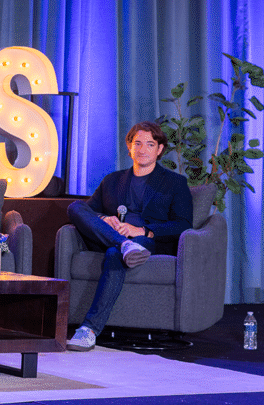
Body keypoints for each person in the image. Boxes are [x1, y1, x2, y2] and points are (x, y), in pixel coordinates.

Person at [65, 120, 193, 351]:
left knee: (116, 254)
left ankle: (88, 330)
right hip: (110, 236)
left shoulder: (175, 183)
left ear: (160, 149)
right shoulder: (112, 180)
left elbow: (184, 224)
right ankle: (124, 244)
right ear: (129, 147)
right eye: (138, 143)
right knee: (75, 207)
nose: (143, 149)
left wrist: (142, 231)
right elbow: (89, 210)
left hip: (147, 241)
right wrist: (105, 220)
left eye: (150, 144)